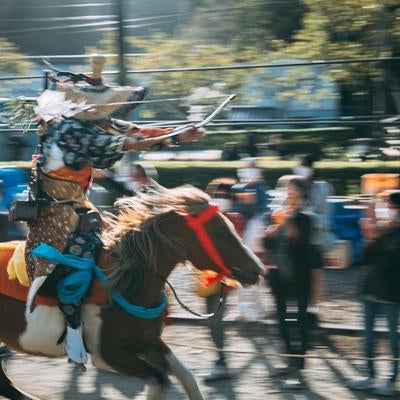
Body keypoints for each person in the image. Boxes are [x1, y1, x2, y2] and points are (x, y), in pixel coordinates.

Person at [13, 58, 204, 369]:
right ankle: (73, 328)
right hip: (53, 218)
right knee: (74, 262)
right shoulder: (69, 129)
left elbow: (138, 132)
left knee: (122, 249)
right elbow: (123, 142)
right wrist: (169, 138)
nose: (105, 111)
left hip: (82, 209)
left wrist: (180, 132)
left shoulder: (92, 121)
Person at [263, 177, 315, 388]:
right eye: (287, 189)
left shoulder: (306, 218)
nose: (289, 193)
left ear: (302, 194)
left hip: (300, 277)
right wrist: (271, 231)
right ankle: (289, 361)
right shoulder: (278, 215)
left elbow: (300, 240)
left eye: (293, 190)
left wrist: (287, 222)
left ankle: (299, 366)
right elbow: (268, 244)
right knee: (282, 322)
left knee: (301, 322)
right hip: (280, 278)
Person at [348, 191, 400, 396]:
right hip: (370, 288)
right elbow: (366, 258)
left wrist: (377, 235)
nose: (389, 210)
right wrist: (371, 237)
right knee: (367, 336)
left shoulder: (392, 233)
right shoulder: (383, 230)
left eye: (392, 207)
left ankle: (390, 379)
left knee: (392, 337)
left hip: (390, 292)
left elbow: (391, 260)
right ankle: (369, 375)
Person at [199, 178, 244, 382]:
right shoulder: (204, 218)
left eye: (226, 196)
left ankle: (222, 362)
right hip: (207, 277)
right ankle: (221, 359)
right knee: (212, 321)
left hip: (224, 277)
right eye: (218, 195)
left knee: (215, 321)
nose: (222, 199)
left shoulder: (234, 219)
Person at [293, 154, 335, 325]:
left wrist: (308, 217)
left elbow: (326, 215)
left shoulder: (322, 188)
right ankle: (300, 309)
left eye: (304, 166)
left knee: (316, 275)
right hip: (298, 239)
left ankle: (313, 309)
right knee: (299, 275)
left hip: (315, 238)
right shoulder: (295, 185)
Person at [231, 158, 268, 320]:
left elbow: (264, 210)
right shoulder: (237, 187)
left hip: (254, 233)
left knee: (255, 271)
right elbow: (233, 209)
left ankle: (259, 307)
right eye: (246, 167)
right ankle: (241, 307)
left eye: (252, 168)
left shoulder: (261, 188)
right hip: (240, 233)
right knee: (239, 272)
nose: (249, 170)